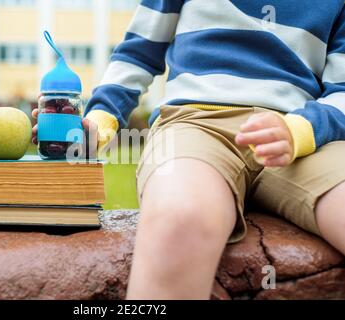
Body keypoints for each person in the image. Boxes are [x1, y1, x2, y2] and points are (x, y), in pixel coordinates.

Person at [32, 0, 345, 299]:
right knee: (179, 219)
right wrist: (100, 121)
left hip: (300, 136)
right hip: (194, 125)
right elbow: (137, 54)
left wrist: (301, 130)